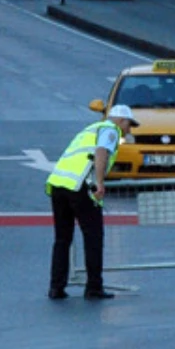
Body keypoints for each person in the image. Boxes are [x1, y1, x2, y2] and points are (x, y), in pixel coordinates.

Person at [45, 104, 139, 300]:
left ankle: (56, 287)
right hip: (81, 187)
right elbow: (101, 152)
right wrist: (99, 183)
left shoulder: (90, 129)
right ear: (121, 121)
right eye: (129, 124)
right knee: (93, 237)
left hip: (58, 185)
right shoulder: (110, 130)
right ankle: (94, 287)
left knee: (62, 239)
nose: (129, 130)